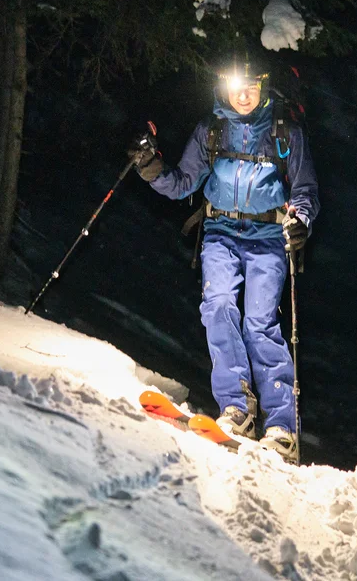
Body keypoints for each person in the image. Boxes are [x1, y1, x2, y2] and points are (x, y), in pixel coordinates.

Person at [127, 57, 319, 461]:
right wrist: (151, 168)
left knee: (260, 323)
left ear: (263, 87)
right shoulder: (211, 130)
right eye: (236, 86)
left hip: (268, 237)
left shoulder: (285, 133)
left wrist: (299, 220)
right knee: (217, 308)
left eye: (251, 86)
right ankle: (236, 407)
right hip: (220, 234)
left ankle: (282, 427)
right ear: (223, 88)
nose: (243, 94)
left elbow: (304, 191)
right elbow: (183, 184)